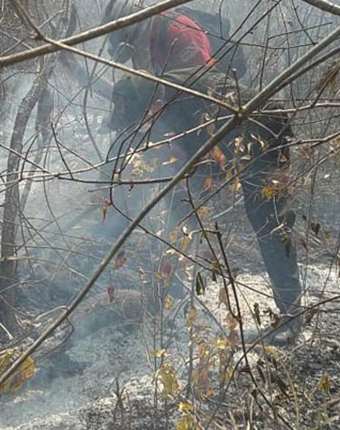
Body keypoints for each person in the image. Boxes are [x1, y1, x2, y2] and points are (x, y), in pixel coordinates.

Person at [101, 1, 302, 345]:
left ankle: (292, 315)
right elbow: (166, 134)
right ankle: (172, 301)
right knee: (181, 212)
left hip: (259, 131)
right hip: (212, 136)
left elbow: (194, 117)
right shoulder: (159, 90)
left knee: (268, 220)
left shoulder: (180, 65)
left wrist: (177, 150)